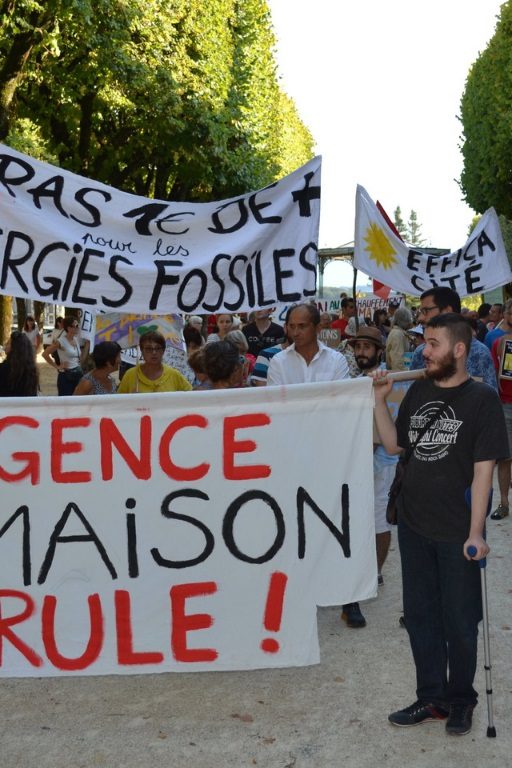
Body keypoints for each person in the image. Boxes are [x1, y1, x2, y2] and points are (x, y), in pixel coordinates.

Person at [372, 313, 508, 736]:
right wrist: (380, 399)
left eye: (433, 344)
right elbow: (395, 445)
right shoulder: (419, 390)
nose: (423, 351)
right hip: (414, 525)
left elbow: (484, 472)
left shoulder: (481, 399)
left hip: (456, 531)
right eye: (424, 344)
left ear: (459, 349)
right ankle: (431, 696)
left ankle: (461, 699)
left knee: (461, 620)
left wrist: (475, 532)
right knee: (421, 616)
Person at [347, 326, 399, 589]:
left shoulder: (393, 380)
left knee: (379, 520)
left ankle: (376, 572)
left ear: (379, 350)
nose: (361, 352)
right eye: (357, 347)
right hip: (354, 465)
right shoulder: (349, 383)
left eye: (366, 347)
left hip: (383, 465)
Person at [410, 287, 497, 390]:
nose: (420, 318)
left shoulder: (479, 353)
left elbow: (489, 400)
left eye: (426, 311)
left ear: (447, 311)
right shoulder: (420, 353)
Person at [267, 303, 350, 385]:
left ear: (317, 328)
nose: (295, 333)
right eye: (292, 326)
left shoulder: (336, 360)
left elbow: (342, 396)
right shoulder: (278, 362)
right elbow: (275, 397)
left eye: (302, 326)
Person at [117, 331, 192, 393]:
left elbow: (191, 396)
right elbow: (118, 403)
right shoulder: (130, 375)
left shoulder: (174, 375)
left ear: (163, 350)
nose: (154, 352)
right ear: (142, 350)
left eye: (158, 348)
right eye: (149, 349)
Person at [42, 316, 86, 396]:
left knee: (77, 402)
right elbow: (45, 354)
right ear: (68, 328)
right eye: (75, 326)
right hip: (66, 376)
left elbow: (79, 357)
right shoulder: (61, 341)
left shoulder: (76, 339)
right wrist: (57, 366)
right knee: (66, 404)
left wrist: (88, 344)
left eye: (78, 326)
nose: (77, 328)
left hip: (77, 375)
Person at [0, 331, 38, 396]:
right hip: (25, 405)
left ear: (14, 347)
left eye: (8, 343)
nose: (6, 344)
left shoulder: (4, 368)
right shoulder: (31, 369)